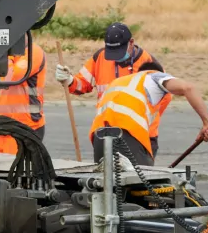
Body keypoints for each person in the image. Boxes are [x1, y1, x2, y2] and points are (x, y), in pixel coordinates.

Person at [54, 22, 169, 156]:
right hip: (106, 133)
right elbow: (82, 84)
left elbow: (165, 97)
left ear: (131, 43)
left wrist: (144, 120)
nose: (115, 57)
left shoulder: (148, 63)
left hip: (140, 135)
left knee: (136, 176)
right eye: (111, 52)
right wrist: (69, 80)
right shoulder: (99, 58)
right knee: (106, 175)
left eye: (119, 51)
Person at [89, 62, 208, 166]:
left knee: (109, 189)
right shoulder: (154, 76)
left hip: (99, 139)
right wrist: (207, 122)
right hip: (126, 136)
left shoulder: (117, 82)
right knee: (144, 185)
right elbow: (188, 88)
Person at [0, 39, 47, 154]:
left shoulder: (33, 52)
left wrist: (6, 55)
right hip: (3, 127)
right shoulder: (8, 55)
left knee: (13, 169)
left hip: (24, 127)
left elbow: (10, 77)